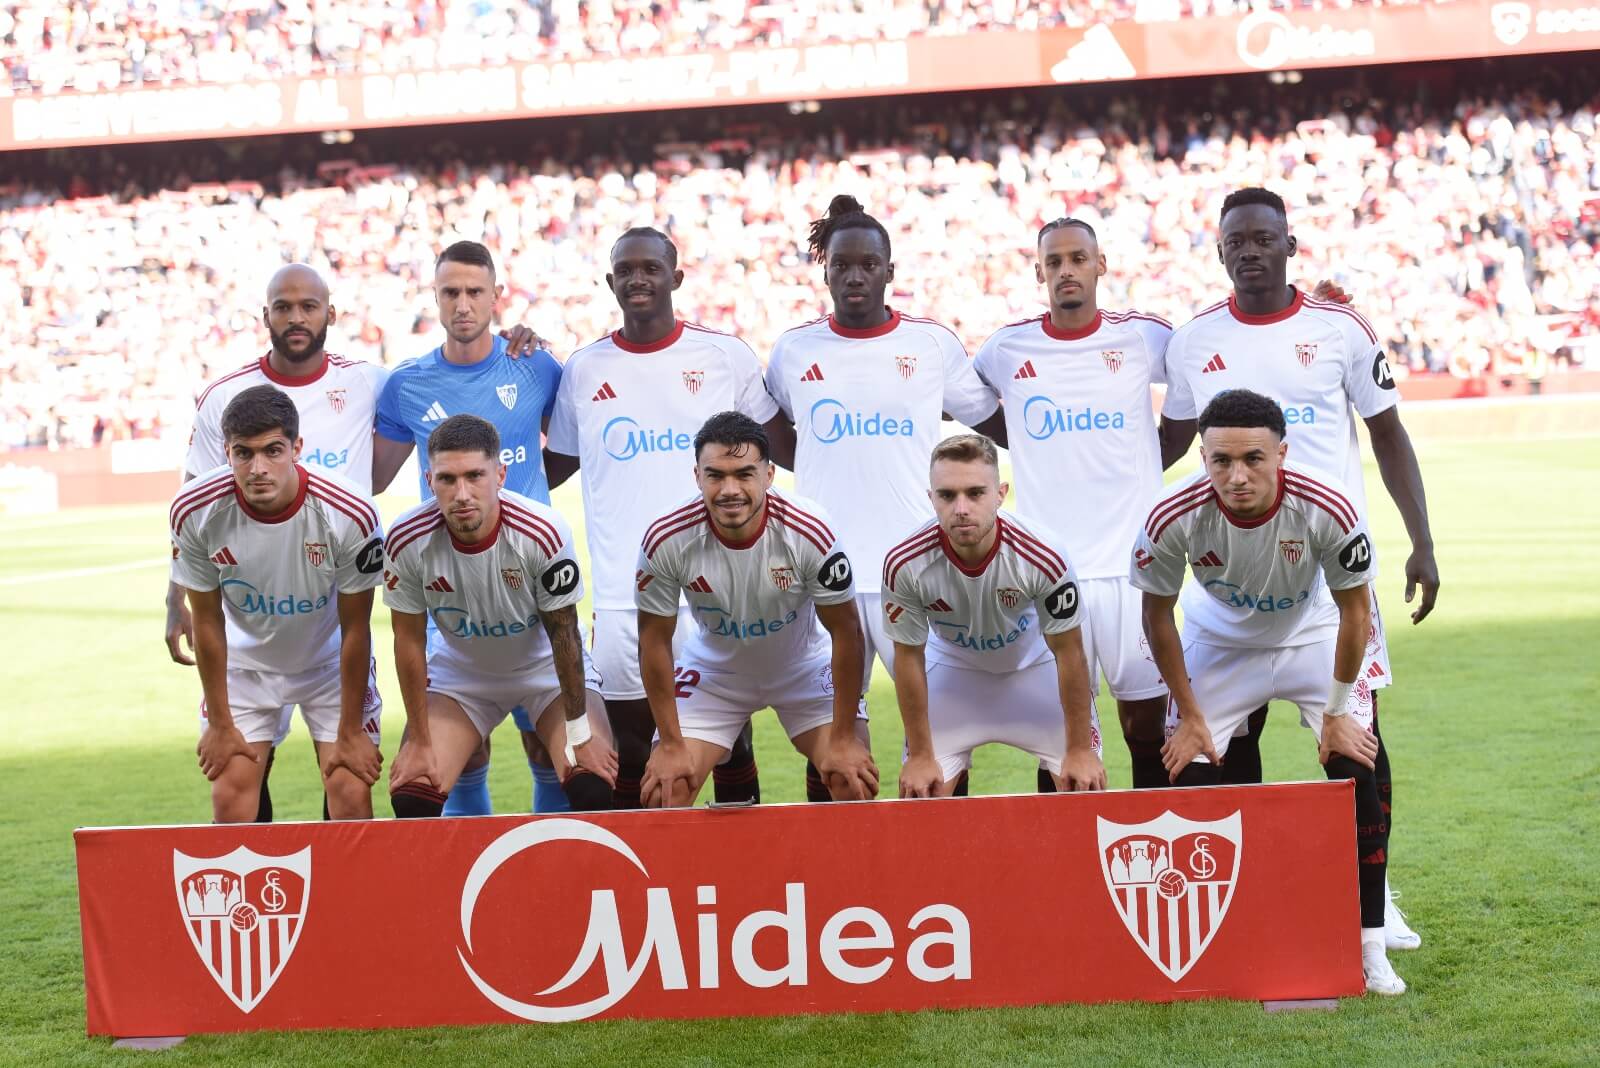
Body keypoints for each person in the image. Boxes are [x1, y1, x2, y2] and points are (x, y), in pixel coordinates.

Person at [1159, 187, 1438, 951]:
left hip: (1330, 572)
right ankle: (1249, 898)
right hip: (1232, 581)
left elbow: (1388, 434)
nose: (1249, 250)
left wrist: (1422, 540)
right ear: (1219, 253)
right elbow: (1168, 445)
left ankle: (1372, 900)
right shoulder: (1192, 343)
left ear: (1290, 244)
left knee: (1358, 738)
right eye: (1234, 241)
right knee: (1230, 741)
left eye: (1262, 237)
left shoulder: (1338, 327)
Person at [1131, 389, 1404, 995]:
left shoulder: (1326, 504)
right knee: (1192, 767)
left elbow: (1356, 612)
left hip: (1315, 632)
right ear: (1202, 457)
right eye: (1220, 461)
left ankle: (1371, 940)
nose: (1236, 476)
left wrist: (1335, 714)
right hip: (1221, 643)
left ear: (1283, 452)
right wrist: (1193, 717)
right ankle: (1227, 931)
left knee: (1356, 760)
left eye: (1254, 458)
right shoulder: (1171, 514)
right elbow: (1156, 617)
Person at [765, 195, 1008, 800]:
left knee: (941, 740)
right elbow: (774, 438)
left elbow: (990, 421)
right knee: (835, 744)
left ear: (889, 271)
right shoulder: (795, 350)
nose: (854, 275)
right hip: (827, 572)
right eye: (841, 265)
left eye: (868, 264)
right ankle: (842, 878)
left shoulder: (931, 345)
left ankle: (941, 871)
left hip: (917, 568)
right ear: (825, 272)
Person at [544, 227, 794, 809]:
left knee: (730, 737)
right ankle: (651, 880)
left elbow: (779, 450)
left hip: (722, 581)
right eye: (625, 270)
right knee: (634, 744)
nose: (638, 279)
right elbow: (551, 466)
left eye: (651, 268)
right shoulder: (584, 368)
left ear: (674, 278)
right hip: (621, 592)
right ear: (610, 282)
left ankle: (738, 866)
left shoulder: (723, 356)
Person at [165, 263, 388, 821]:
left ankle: (349, 907)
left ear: (297, 448)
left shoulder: (352, 502)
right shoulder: (198, 503)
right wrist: (218, 721)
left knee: (351, 789)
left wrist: (349, 730)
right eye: (243, 454)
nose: (258, 467)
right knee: (230, 794)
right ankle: (256, 907)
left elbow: (356, 626)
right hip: (247, 659)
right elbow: (208, 618)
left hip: (327, 656)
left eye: (272, 452)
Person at [974, 218, 1181, 792]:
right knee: (1059, 740)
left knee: (1147, 727)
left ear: (1100, 264)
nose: (1066, 270)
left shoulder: (1144, 337)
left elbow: (1198, 382)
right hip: (1051, 573)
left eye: (1077, 258)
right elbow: (975, 410)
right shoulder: (1006, 347)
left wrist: (1151, 456)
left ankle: (1149, 839)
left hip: (1132, 570)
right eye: (1054, 261)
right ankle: (1067, 876)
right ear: (1039, 270)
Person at [373, 240, 569, 816]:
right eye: (450, 292)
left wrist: (526, 494)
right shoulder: (405, 383)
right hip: (447, 588)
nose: (463, 304)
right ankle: (468, 893)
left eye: (474, 292)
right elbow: (376, 476)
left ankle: (547, 874)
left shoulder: (536, 365)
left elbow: (574, 447)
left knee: (545, 746)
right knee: (462, 754)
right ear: (435, 298)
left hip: (533, 586)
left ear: (495, 297)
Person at [635, 412, 877, 808]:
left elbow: (846, 632)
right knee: (667, 789)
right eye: (715, 475)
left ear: (769, 474)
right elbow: (653, 641)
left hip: (801, 666)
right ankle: (708, 872)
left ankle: (828, 869)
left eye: (745, 474)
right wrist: (672, 744)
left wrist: (845, 737)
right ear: (697, 476)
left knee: (852, 781)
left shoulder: (809, 529)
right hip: (716, 671)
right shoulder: (667, 536)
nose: (730, 489)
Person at [384, 415, 617, 817]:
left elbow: (564, 634)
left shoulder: (542, 530)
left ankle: (556, 874)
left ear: (500, 474)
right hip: (462, 675)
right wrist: (420, 740)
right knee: (413, 794)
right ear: (428, 479)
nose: (461, 494)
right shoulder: (407, 537)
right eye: (446, 479)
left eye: (475, 476)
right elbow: (407, 638)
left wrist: (579, 734)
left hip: (544, 670)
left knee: (591, 781)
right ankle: (463, 876)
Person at [882, 434, 1105, 797]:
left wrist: (1079, 749)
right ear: (931, 499)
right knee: (922, 797)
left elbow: (1069, 652)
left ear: (1000, 494)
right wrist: (921, 754)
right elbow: (907, 656)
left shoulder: (1044, 554)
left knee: (1082, 785)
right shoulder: (904, 563)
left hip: (1034, 669)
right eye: (947, 495)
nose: (961, 508)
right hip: (955, 674)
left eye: (975, 493)